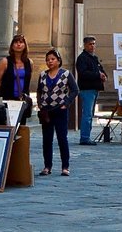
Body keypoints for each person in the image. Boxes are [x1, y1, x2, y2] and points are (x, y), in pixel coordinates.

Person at [37, 48, 74, 176]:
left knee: (62, 138)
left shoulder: (66, 74)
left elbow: (75, 90)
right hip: (46, 111)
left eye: (52, 59)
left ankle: (65, 166)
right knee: (47, 139)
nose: (50, 62)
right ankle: (47, 166)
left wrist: (67, 103)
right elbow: (39, 90)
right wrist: (40, 104)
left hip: (60, 110)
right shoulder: (42, 75)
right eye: (47, 60)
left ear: (58, 60)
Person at [73, 36, 106, 145]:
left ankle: (87, 136)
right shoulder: (82, 58)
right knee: (87, 114)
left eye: (94, 44)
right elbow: (83, 73)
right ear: (85, 45)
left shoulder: (94, 58)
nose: (92, 46)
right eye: (90, 44)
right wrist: (97, 75)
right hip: (87, 89)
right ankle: (85, 138)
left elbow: (101, 69)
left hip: (94, 88)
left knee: (90, 114)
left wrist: (104, 75)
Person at [0, 34, 34, 102]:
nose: (18, 44)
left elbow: (27, 80)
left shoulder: (29, 63)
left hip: (23, 99)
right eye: (16, 42)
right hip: (7, 98)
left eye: (21, 42)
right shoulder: (5, 62)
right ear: (12, 45)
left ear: (25, 45)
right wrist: (6, 91)